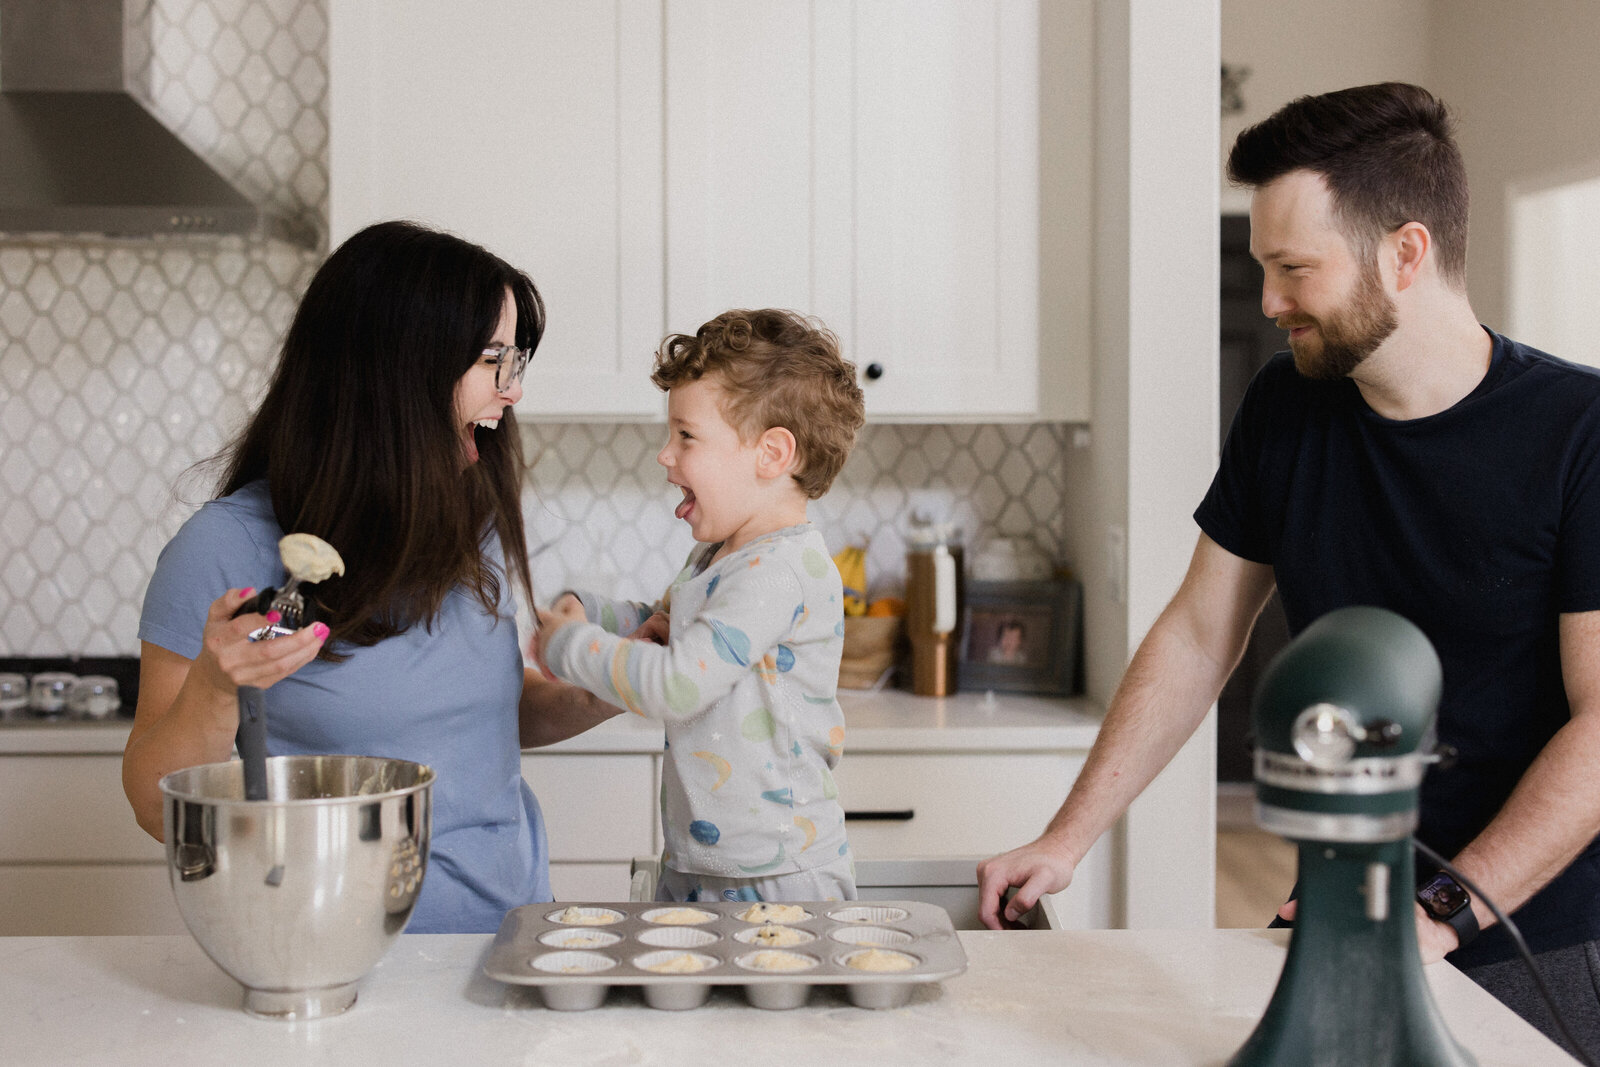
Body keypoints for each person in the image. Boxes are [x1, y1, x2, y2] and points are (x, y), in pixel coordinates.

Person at [975, 82, 1600, 1053]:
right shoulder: (1287, 405)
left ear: (1405, 253)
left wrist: (1436, 911)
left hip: (1532, 936)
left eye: (1292, 268)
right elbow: (1197, 632)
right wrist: (1066, 838)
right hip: (1341, 906)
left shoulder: (1579, 434)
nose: (1267, 302)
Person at [123, 220, 620, 934]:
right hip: (339, 958)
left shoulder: (463, 519)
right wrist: (215, 686)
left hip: (513, 940)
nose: (511, 391)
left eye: (517, 360)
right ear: (395, 370)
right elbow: (151, 802)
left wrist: (620, 680)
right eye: (491, 359)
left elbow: (481, 724)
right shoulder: (223, 547)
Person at [534, 308, 866, 904]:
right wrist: (586, 608)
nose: (665, 455)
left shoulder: (778, 571)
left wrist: (569, 645)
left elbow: (677, 683)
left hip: (777, 876)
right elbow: (662, 623)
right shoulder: (722, 555)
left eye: (686, 436)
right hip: (705, 862)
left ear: (771, 454)